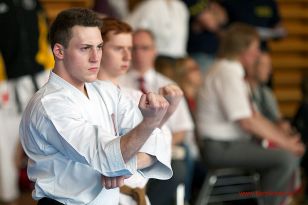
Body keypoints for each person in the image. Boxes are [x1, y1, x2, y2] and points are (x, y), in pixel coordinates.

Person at [19, 8, 173, 205]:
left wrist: (126, 164)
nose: (95, 57)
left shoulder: (108, 91)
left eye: (99, 47)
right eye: (85, 48)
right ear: (59, 51)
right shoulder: (49, 105)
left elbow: (158, 143)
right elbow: (108, 157)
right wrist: (149, 124)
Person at [196, 23, 305, 205]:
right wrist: (284, 143)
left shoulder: (230, 71)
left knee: (287, 151)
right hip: (220, 148)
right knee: (285, 158)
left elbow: (254, 117)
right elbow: (247, 122)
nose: (257, 54)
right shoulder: (227, 72)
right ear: (242, 50)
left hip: (230, 145)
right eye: (255, 49)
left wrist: (284, 139)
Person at [97, 17, 183, 205]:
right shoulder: (85, 97)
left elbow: (162, 146)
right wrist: (122, 161)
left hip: (136, 197)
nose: (129, 56)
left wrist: (119, 164)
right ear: (98, 50)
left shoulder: (136, 96)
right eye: (119, 49)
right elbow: (94, 156)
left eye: (130, 48)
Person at [119, 29, 194, 205]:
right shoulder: (118, 83)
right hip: (129, 149)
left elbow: (182, 129)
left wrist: (157, 145)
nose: (138, 54)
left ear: (155, 51)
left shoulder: (168, 84)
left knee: (179, 168)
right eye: (134, 48)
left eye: (145, 48)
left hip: (164, 146)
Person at [0, 0, 53, 204]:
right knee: (5, 143)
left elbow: (44, 37)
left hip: (39, 76)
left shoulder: (33, 3)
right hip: (5, 83)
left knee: (47, 137)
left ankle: (49, 190)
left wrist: (51, 74)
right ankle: (9, 195)